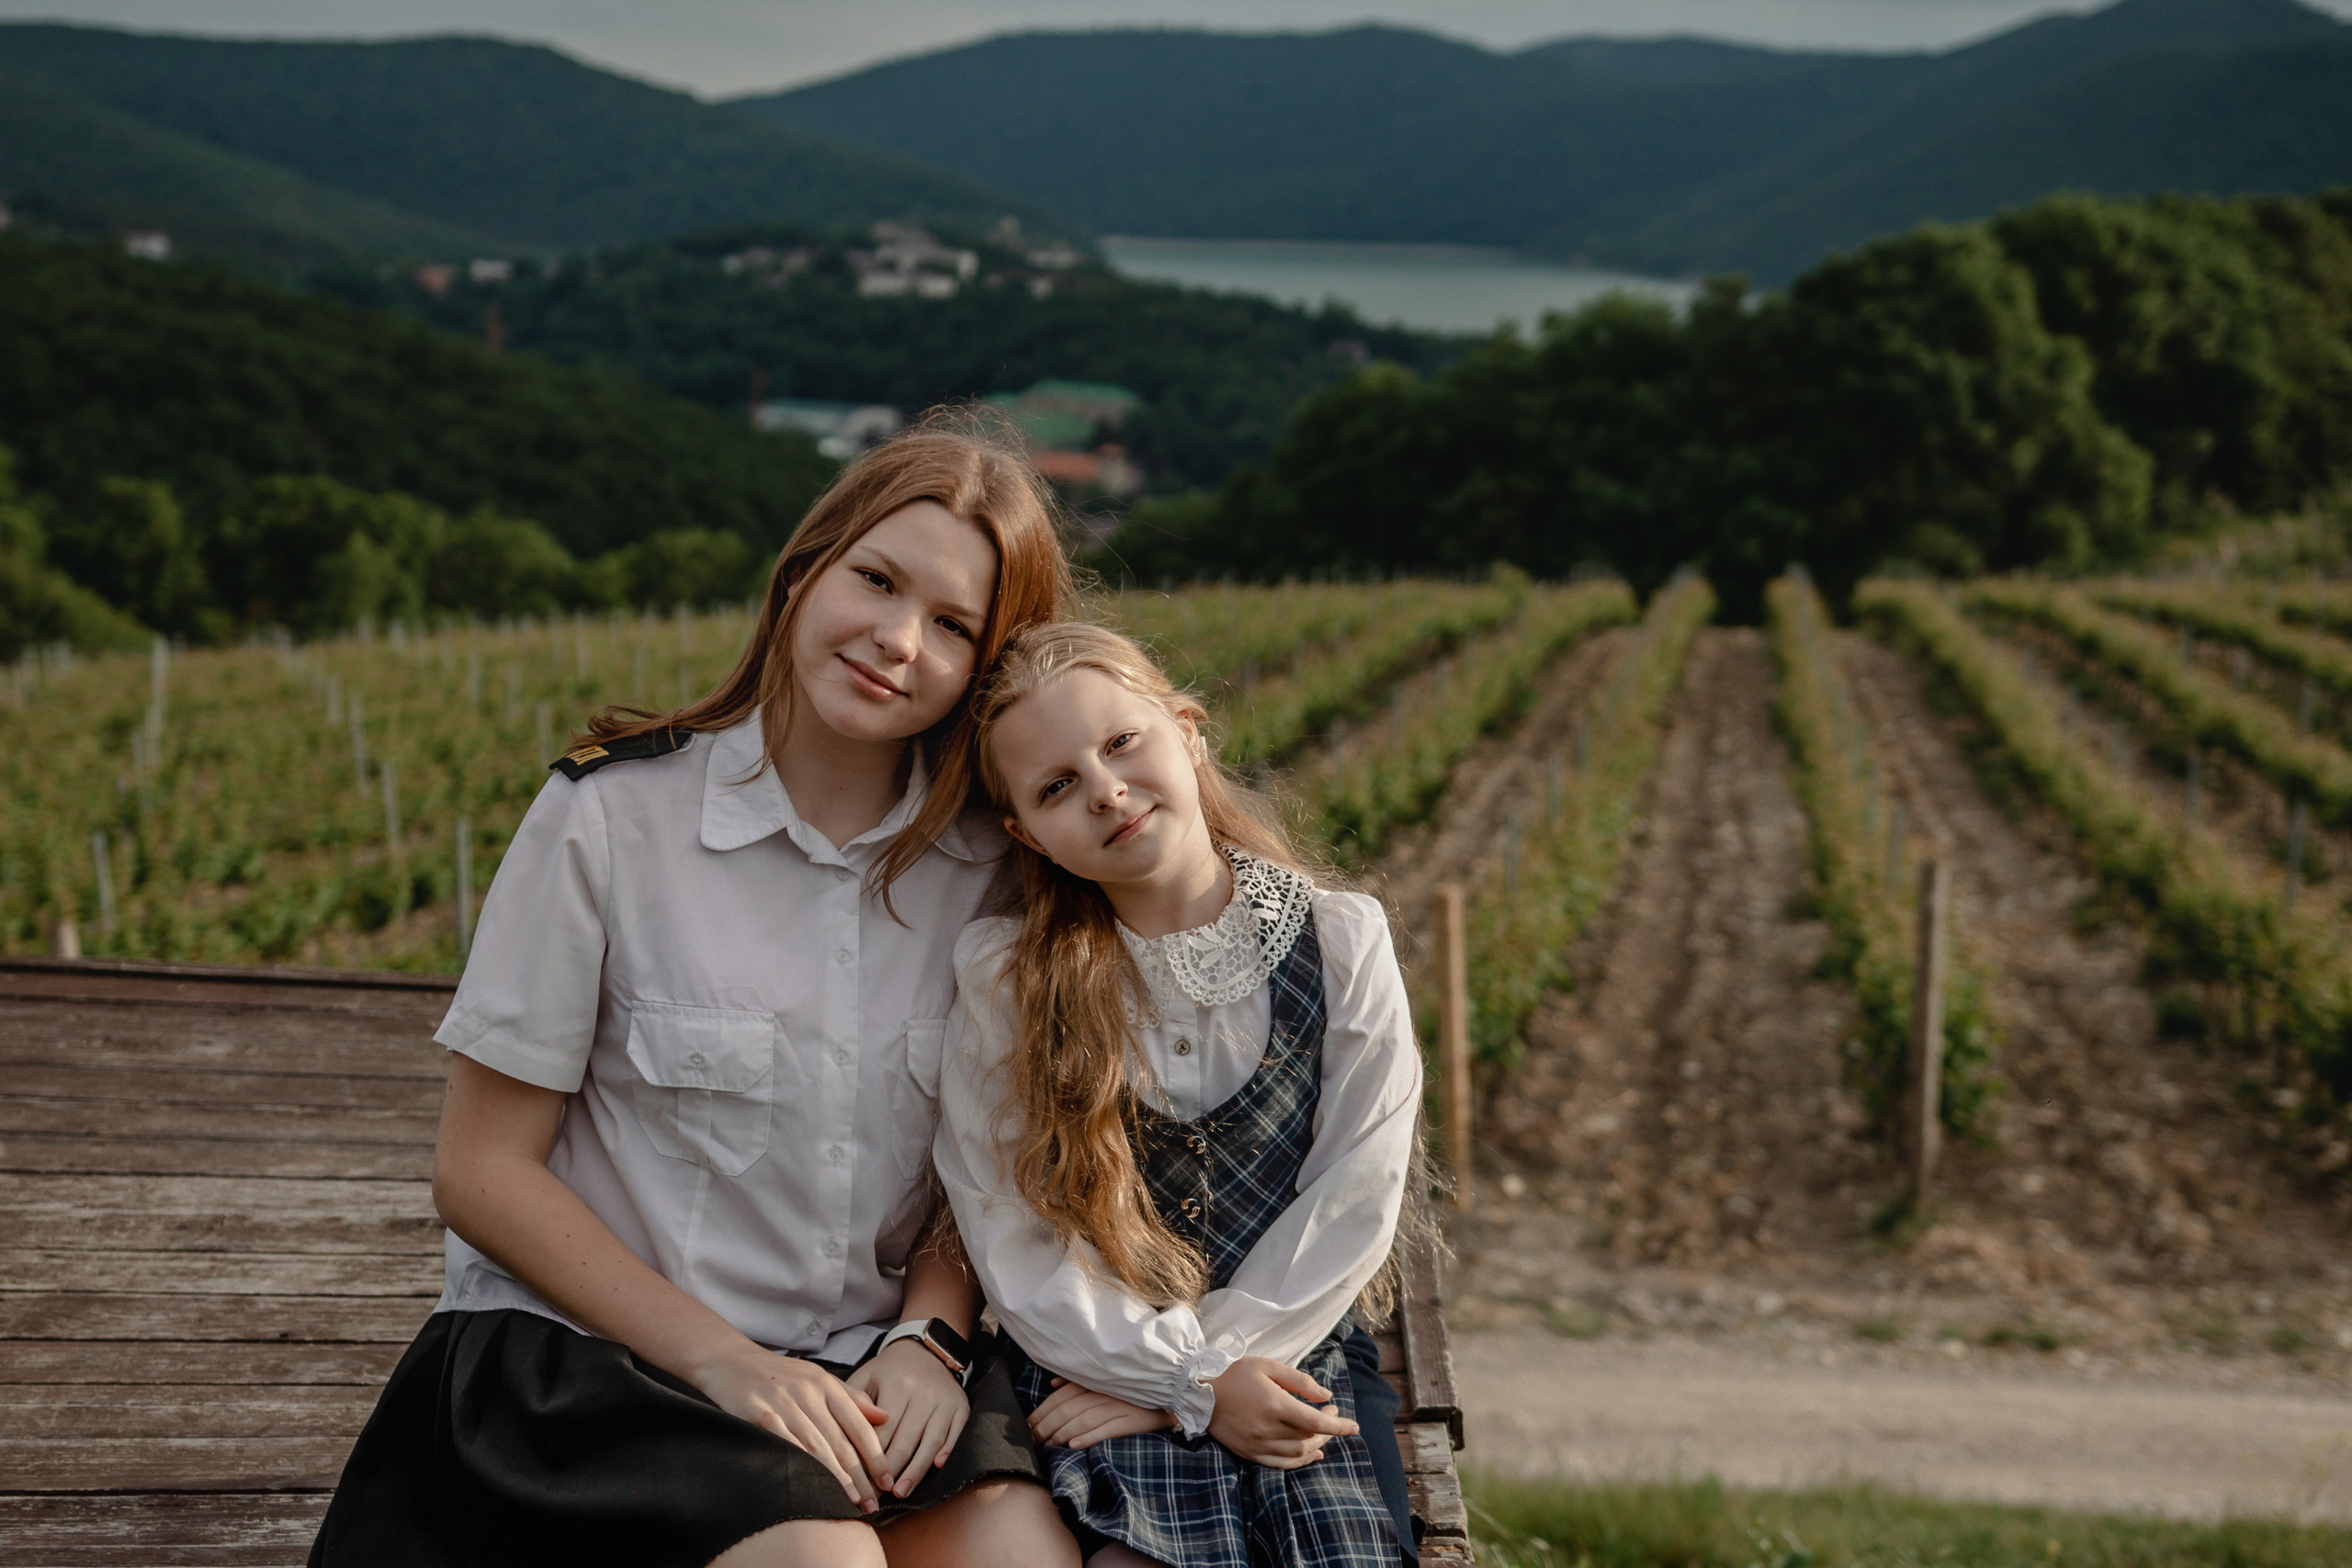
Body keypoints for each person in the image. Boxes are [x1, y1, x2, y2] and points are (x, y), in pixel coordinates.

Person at [311, 424, 1083, 1568]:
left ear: (987, 667)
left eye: (954, 625)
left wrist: (929, 1337)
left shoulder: (997, 872)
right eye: (877, 580)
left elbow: (975, 1170)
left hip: (867, 1367)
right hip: (597, 1362)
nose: (897, 639)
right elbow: (480, 1171)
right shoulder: (609, 818)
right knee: (822, 1562)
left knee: (1018, 1554)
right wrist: (729, 1364)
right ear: (802, 572)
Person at [933, 622, 1429, 1568]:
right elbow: (1009, 1232)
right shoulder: (1008, 979)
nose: (1105, 790)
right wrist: (1177, 1379)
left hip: (1294, 1345)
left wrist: (1196, 1386)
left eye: (1121, 742)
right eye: (1056, 787)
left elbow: (1355, 1192)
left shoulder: (1340, 940)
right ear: (1024, 833)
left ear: (1189, 732)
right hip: (1096, 1357)